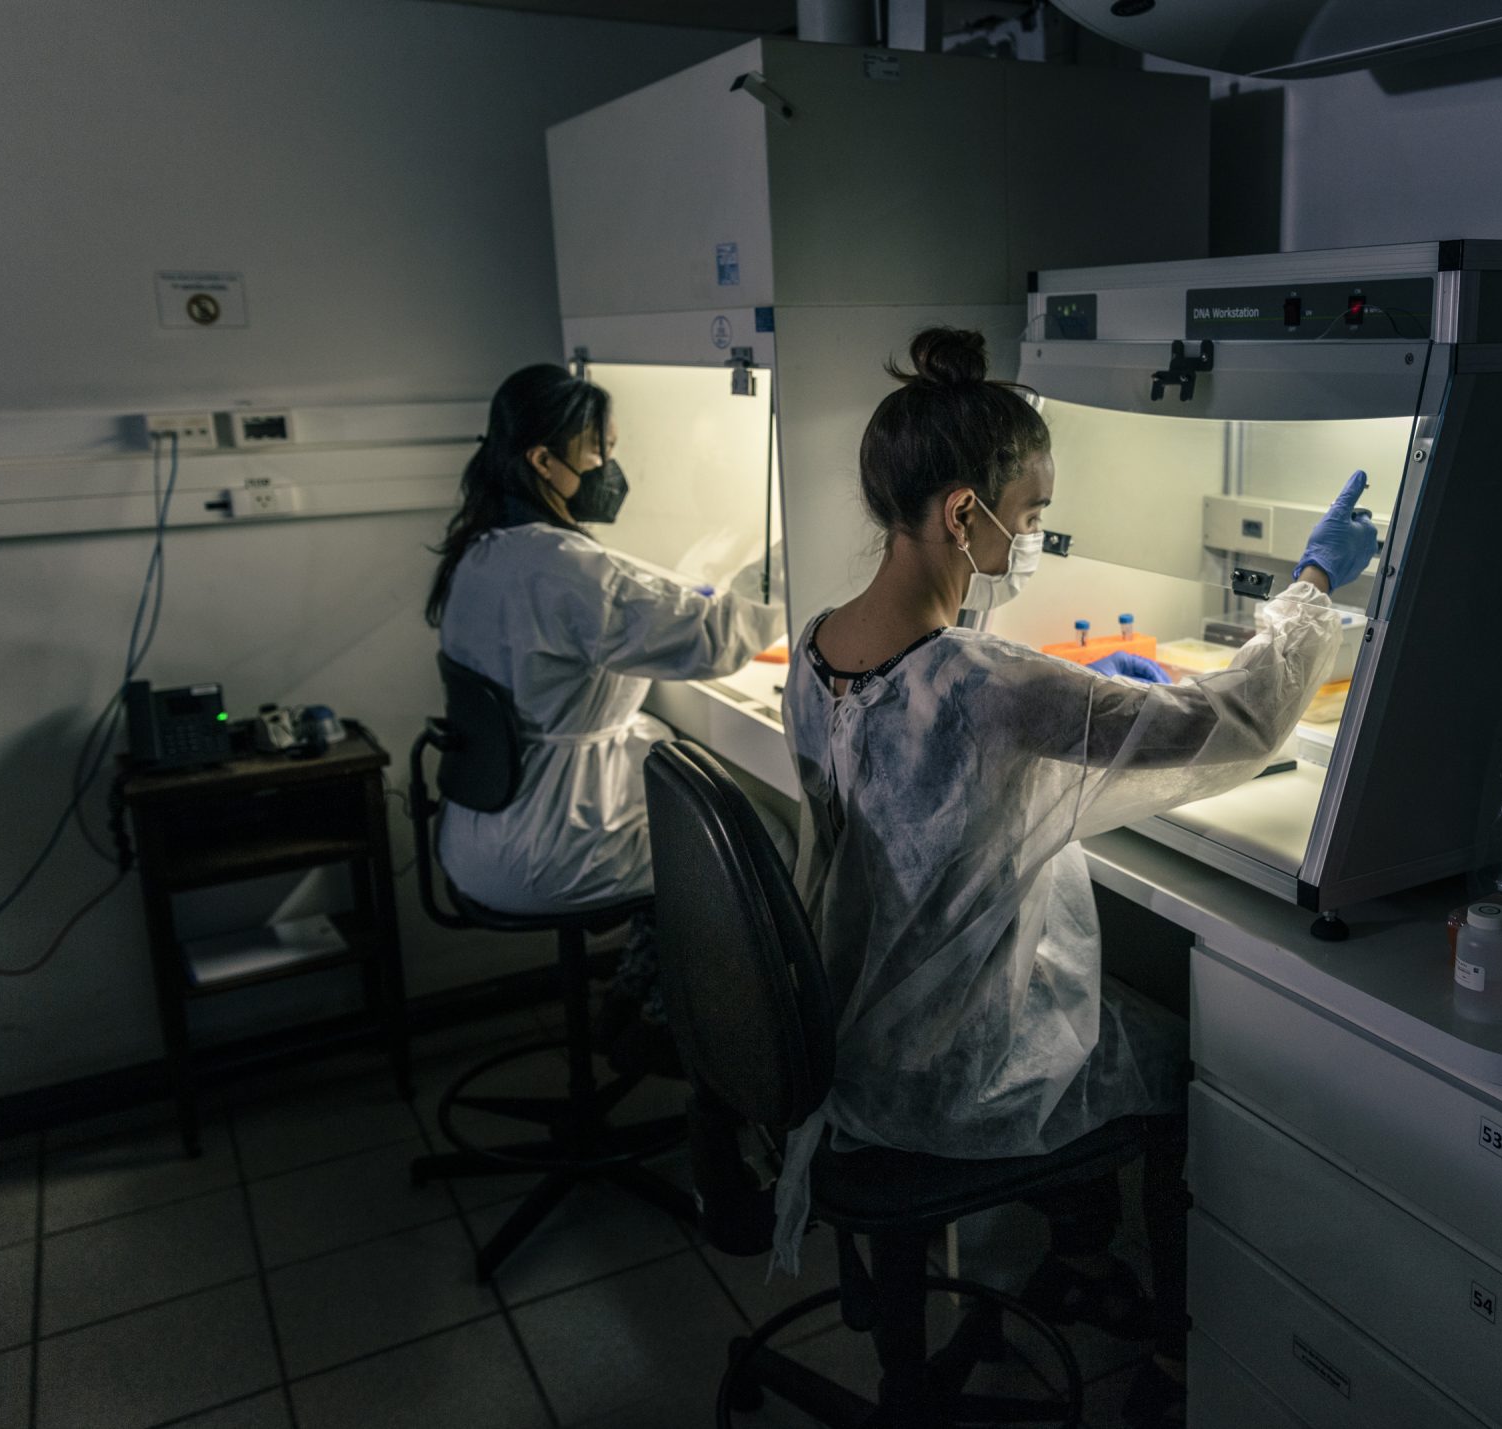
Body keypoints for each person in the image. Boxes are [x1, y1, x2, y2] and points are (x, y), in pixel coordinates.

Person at [776, 327, 1379, 1423]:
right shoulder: (980, 680)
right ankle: (1176, 1345)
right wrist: (1310, 583)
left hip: (850, 1042)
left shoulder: (820, 643)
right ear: (966, 513)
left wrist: (1082, 693)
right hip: (948, 1075)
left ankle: (1076, 1243)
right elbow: (1228, 722)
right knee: (1167, 1048)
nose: (1036, 533)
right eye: (1034, 510)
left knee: (1095, 998)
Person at [425, 363, 783, 1069]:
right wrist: (791, 560)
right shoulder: (559, 567)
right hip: (546, 846)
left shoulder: (484, 549)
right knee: (761, 838)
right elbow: (710, 639)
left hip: (479, 833)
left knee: (696, 827)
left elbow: (621, 607)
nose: (609, 467)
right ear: (544, 462)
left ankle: (639, 994)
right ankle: (687, 1034)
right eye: (598, 452)